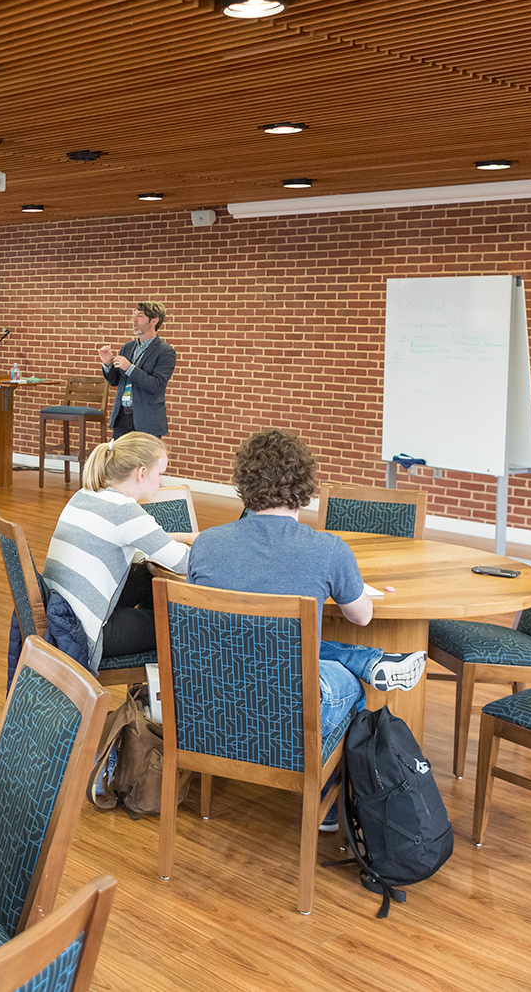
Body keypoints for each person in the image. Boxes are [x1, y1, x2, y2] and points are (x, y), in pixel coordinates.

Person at [186, 429, 427, 759]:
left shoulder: (206, 543)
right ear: (304, 487)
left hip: (213, 696)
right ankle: (330, 794)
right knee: (350, 682)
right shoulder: (328, 550)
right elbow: (362, 616)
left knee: (270, 641)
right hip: (293, 702)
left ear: (245, 484)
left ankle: (367, 663)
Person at [41, 432, 192, 675]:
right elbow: (183, 562)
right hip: (86, 633)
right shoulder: (125, 511)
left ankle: (149, 698)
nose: (162, 482)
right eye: (161, 473)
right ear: (142, 473)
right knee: (178, 626)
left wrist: (183, 537)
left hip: (63, 615)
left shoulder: (86, 495)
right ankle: (162, 699)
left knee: (146, 575)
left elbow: (135, 540)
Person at [100, 301, 176, 439]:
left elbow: (157, 385)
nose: (134, 320)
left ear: (154, 321)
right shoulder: (127, 348)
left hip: (147, 420)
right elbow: (115, 381)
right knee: (120, 460)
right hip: (122, 416)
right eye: (134, 315)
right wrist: (108, 364)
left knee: (143, 461)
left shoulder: (165, 351)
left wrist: (130, 368)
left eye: (140, 316)